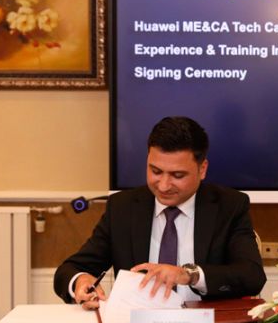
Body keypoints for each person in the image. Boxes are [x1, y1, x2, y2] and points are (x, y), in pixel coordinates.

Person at [54, 116, 266, 309]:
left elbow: (252, 276)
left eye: (177, 175)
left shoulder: (229, 206)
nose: (163, 186)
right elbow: (70, 269)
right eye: (155, 171)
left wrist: (189, 275)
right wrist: (80, 281)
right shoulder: (123, 207)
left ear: (202, 169)